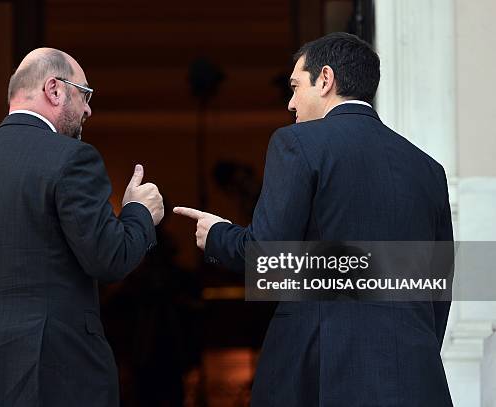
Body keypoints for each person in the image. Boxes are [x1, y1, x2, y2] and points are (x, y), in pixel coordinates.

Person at [174, 32, 453, 406]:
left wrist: (217, 235)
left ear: (325, 79)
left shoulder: (298, 143)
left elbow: (267, 255)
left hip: (322, 374)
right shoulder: (429, 169)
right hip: (413, 374)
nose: (290, 103)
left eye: (295, 86)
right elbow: (437, 288)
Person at [0, 48, 164, 406]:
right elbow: (109, 258)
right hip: (45, 384)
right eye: (85, 94)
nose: (88, 110)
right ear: (54, 89)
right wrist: (138, 213)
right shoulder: (72, 158)